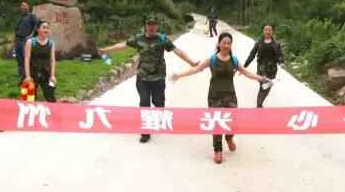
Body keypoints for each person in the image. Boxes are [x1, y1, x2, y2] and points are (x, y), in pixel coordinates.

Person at [172, 32, 268, 164]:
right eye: (224, 43)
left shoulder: (234, 60)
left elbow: (247, 73)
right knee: (217, 123)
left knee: (232, 121)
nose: (226, 45)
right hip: (214, 96)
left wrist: (262, 79)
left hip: (230, 95)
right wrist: (179, 75)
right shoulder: (212, 59)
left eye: (229, 43)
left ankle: (229, 137)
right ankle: (218, 150)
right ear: (219, 44)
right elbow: (196, 69)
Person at [100, 14, 199, 143]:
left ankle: (159, 115)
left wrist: (191, 62)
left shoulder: (163, 39)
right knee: (144, 102)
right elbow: (122, 45)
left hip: (158, 78)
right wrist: (105, 50)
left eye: (154, 24)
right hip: (143, 77)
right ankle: (145, 131)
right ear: (145, 26)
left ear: (157, 26)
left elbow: (177, 51)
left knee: (158, 103)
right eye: (149, 24)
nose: (151, 27)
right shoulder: (139, 39)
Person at [244, 24, 284, 108]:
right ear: (263, 31)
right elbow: (252, 54)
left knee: (267, 86)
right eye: (266, 30)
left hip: (272, 69)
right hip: (261, 68)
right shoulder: (258, 43)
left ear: (272, 31)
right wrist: (245, 66)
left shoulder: (276, 44)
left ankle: (259, 103)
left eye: (270, 30)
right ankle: (259, 105)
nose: (268, 32)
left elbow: (280, 55)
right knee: (264, 84)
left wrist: (281, 62)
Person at [24, 20, 57, 102]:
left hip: (46, 73)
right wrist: (27, 76)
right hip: (32, 72)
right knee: (28, 99)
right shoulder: (30, 42)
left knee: (51, 98)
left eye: (47, 28)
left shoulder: (51, 43)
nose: (46, 30)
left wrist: (52, 75)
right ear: (38, 29)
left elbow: (52, 60)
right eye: (44, 28)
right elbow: (27, 59)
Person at [13, 2, 37, 81]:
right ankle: (21, 73)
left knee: (25, 56)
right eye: (21, 6)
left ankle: (28, 73)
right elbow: (16, 29)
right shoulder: (21, 17)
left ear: (28, 7)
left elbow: (36, 26)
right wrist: (14, 39)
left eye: (24, 6)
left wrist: (31, 35)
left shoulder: (32, 16)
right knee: (18, 56)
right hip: (18, 39)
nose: (22, 7)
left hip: (25, 39)